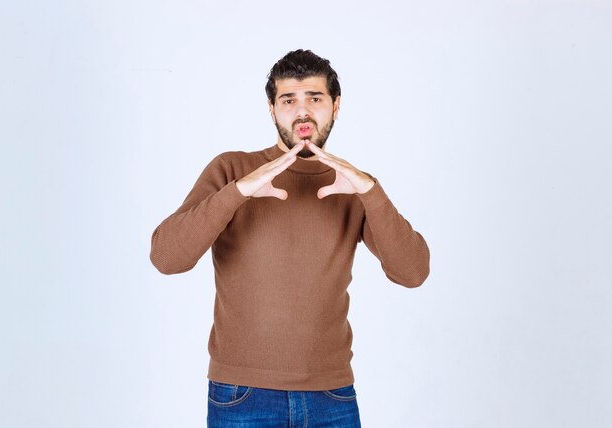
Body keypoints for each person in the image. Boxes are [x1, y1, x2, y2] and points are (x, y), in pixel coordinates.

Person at [150, 49, 430, 427]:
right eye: (288, 100)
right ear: (271, 108)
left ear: (336, 105)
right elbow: (167, 258)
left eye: (315, 98)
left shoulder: (354, 185)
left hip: (332, 396)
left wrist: (371, 193)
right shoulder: (232, 169)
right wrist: (238, 192)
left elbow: (412, 272)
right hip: (242, 394)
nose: (302, 111)